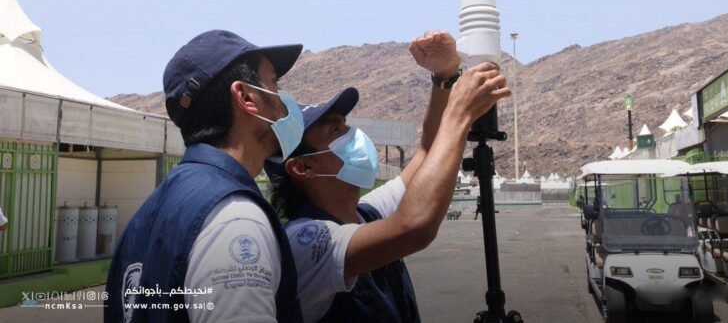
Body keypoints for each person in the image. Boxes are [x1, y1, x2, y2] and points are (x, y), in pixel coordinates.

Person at [267, 30, 509, 322]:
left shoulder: (365, 215)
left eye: (345, 124)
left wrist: (444, 78)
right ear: (303, 167)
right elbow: (413, 226)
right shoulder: (304, 242)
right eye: (335, 130)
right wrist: (459, 116)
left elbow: (427, 153)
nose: (352, 135)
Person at [105, 30, 304, 323]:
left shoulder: (153, 209)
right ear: (246, 97)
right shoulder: (235, 219)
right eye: (274, 82)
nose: (283, 99)